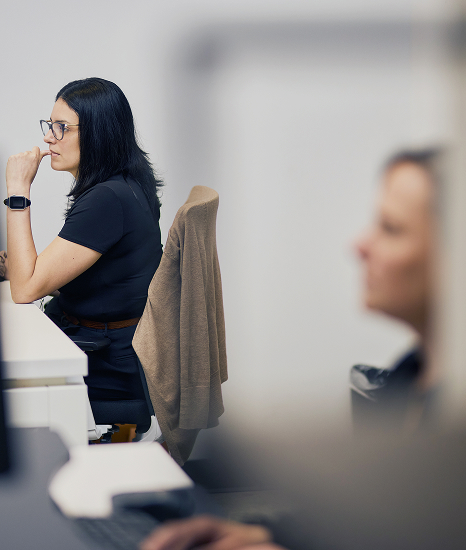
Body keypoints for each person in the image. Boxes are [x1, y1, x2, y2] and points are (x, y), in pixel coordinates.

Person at [139, 148, 439, 550]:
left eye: (391, 228)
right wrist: (263, 535)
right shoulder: (408, 378)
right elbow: (367, 526)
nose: (360, 245)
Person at [5, 77, 163, 404]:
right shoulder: (127, 182)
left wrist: (18, 192)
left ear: (97, 132)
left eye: (62, 127)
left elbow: (25, 290)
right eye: (50, 125)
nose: (49, 137)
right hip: (103, 343)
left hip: (104, 363)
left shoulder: (107, 199)